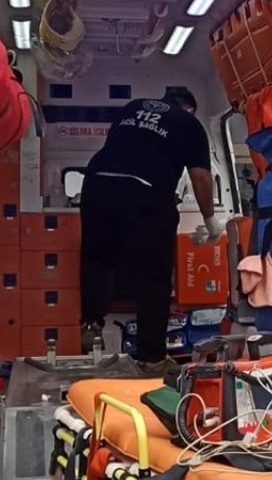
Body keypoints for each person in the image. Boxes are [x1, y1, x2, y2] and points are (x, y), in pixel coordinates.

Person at [78, 88, 224, 373]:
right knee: (153, 277)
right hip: (145, 191)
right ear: (189, 108)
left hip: (96, 184)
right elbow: (201, 177)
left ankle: (91, 322)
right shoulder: (189, 123)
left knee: (97, 258)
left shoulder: (132, 107)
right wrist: (210, 220)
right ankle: (152, 357)